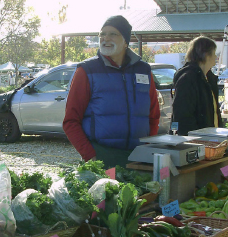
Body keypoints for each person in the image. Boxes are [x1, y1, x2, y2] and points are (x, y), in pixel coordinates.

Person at [63, 15, 160, 168]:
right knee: (107, 193)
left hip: (138, 157)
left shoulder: (144, 70)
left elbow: (153, 115)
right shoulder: (87, 71)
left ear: (126, 42)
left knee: (141, 193)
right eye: (102, 34)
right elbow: (70, 121)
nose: (105, 38)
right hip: (101, 157)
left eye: (113, 34)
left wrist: (148, 145)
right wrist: (91, 155)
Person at [171, 36, 223, 136]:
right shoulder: (188, 78)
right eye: (214, 53)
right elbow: (181, 115)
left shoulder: (209, 78)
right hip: (195, 142)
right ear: (206, 55)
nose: (216, 57)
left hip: (210, 139)